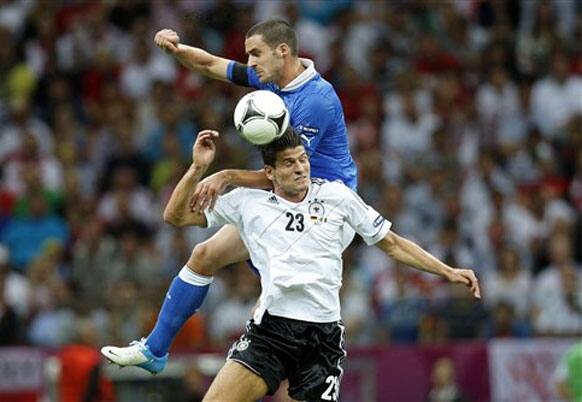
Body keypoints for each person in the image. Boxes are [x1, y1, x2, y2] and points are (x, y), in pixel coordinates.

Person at [106, 129, 480, 401]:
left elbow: (393, 244)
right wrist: (197, 169)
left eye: (302, 159)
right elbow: (176, 217)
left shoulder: (337, 197)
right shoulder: (247, 203)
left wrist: (447, 271)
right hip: (271, 333)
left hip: (322, 338)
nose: (300, 168)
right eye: (289, 163)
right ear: (269, 173)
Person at [102, 19, 358, 373]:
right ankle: (154, 351)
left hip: (325, 205)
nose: (250, 62)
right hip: (287, 196)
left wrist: (225, 176)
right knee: (204, 254)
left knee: (279, 298)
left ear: (282, 51)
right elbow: (209, 64)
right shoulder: (270, 77)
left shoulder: (315, 100)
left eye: (256, 54)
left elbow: (290, 172)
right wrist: (177, 50)